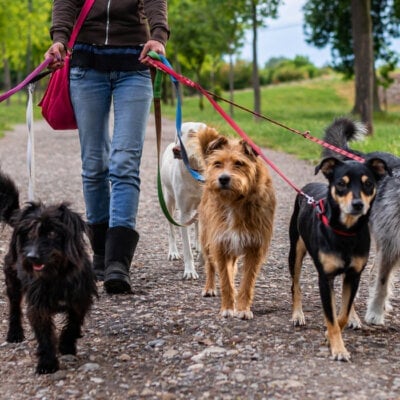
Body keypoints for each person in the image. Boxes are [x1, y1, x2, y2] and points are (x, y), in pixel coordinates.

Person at [44, 0, 170, 294]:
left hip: (134, 66)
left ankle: (118, 262)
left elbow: (155, 2)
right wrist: (59, 39)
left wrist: (158, 36)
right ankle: (100, 253)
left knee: (125, 162)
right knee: (94, 165)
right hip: (87, 68)